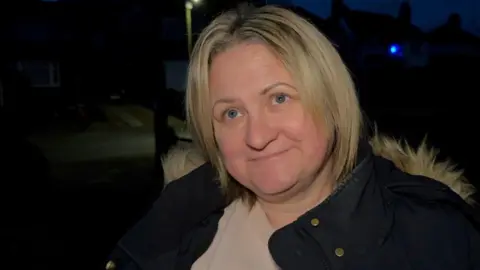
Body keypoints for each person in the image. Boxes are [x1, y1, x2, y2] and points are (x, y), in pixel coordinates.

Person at [105, 5, 480, 270]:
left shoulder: (436, 238)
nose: (257, 135)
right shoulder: (176, 222)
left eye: (279, 98)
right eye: (231, 113)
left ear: (332, 102)